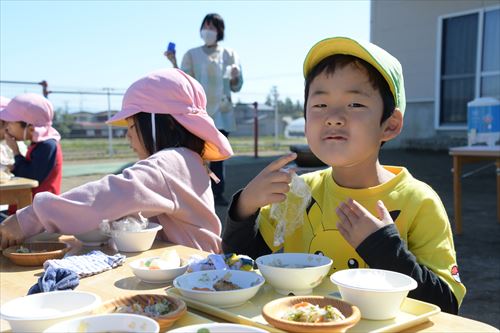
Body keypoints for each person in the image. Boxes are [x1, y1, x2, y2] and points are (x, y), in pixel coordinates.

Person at [222, 36, 466, 314]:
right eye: (320, 105)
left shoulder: (418, 201)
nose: (333, 117)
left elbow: (446, 305)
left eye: (355, 105)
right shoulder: (299, 192)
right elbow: (242, 266)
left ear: (390, 124)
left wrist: (382, 246)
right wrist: (245, 207)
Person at [0, 68, 234, 253]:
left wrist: (32, 216)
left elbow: (107, 195)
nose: (127, 135)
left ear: (160, 123)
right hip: (193, 266)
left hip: (193, 275)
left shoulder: (171, 162)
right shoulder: (187, 158)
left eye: (132, 125)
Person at [165, 13, 243, 206]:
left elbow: (236, 85)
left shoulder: (229, 54)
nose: (208, 30)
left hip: (222, 113)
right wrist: (173, 61)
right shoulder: (191, 54)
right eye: (205, 26)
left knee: (217, 156)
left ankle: (217, 193)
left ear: (219, 31)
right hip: (198, 112)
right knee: (195, 153)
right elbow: (183, 80)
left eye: (212, 27)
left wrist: (234, 77)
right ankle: (194, 193)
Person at [1, 93, 63, 216]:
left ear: (29, 128)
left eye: (10, 123)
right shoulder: (39, 145)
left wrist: (16, 152)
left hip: (38, 216)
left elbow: (29, 177)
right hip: (26, 210)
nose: (7, 128)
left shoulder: (47, 147)